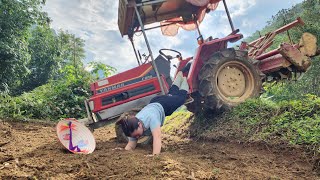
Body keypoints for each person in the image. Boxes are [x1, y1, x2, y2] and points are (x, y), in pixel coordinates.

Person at [116, 71, 189, 155]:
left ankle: (185, 79)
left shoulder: (152, 119)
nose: (137, 137)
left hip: (164, 104)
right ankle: (179, 75)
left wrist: (154, 156)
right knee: (172, 94)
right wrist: (124, 153)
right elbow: (131, 144)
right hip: (154, 102)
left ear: (139, 124)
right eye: (134, 136)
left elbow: (157, 137)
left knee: (181, 98)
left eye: (137, 135)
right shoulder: (132, 127)